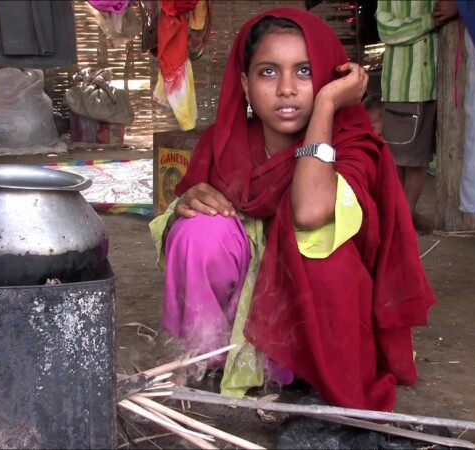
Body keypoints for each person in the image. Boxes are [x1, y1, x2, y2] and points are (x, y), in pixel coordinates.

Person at [149, 7, 436, 412]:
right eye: (268, 72)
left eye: (304, 71)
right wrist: (190, 201)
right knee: (198, 230)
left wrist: (326, 105)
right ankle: (206, 358)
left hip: (310, 320)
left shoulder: (354, 146)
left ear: (329, 80)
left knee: (315, 244)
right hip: (241, 304)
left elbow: (310, 211)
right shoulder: (225, 140)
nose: (286, 88)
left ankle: (289, 367)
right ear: (245, 85)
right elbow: (184, 219)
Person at [376, 0, 458, 235]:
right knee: (396, 159)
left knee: (418, 160)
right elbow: (386, 30)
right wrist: (430, 21)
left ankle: (404, 217)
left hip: (433, 87)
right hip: (402, 87)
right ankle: (398, 217)